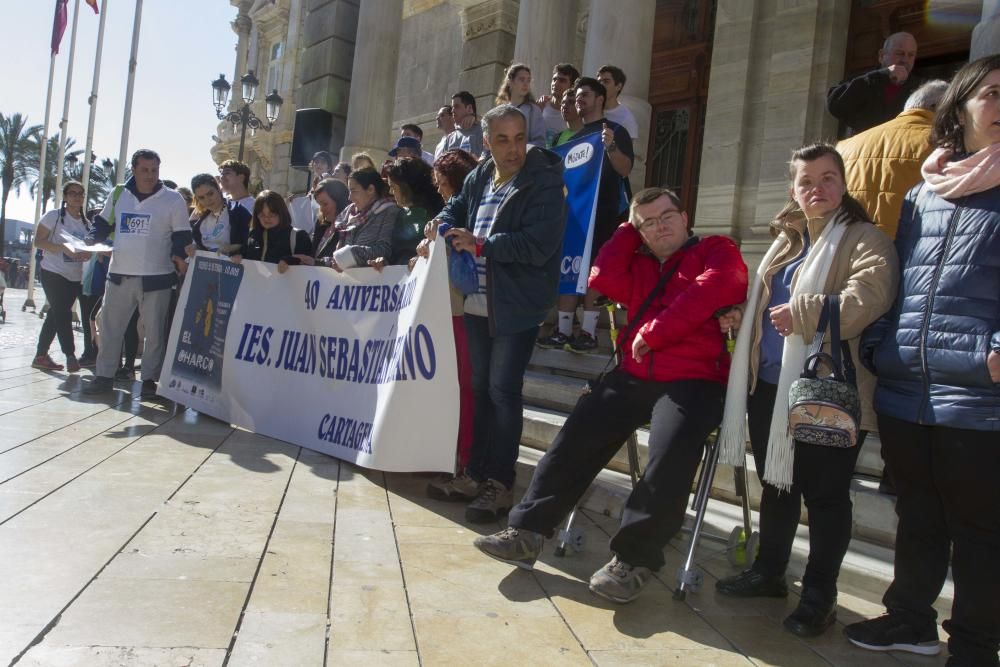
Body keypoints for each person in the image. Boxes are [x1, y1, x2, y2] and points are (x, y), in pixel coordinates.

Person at [474, 187, 748, 603]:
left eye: (667, 216)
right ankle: (527, 531)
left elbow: (718, 287)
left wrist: (656, 334)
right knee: (578, 431)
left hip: (696, 379)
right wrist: (626, 230)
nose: (660, 227)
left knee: (671, 447)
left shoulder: (715, 248)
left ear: (685, 215)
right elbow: (601, 277)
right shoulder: (636, 261)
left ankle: (634, 559)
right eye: (648, 223)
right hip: (635, 375)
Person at [845, 55, 1000, 667]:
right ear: (958, 107)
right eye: (992, 93)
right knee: (917, 516)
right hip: (908, 385)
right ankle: (910, 619)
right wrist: (882, 344)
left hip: (980, 394)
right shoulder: (922, 192)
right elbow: (898, 277)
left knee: (980, 533)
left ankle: (974, 646)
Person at [713, 143, 898, 639]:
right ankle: (770, 572)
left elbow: (869, 298)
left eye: (827, 178)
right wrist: (742, 318)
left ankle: (820, 594)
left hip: (826, 392)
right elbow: (765, 307)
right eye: (806, 181)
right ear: (793, 189)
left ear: (843, 183)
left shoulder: (865, 239)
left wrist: (807, 311)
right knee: (777, 485)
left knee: (825, 497)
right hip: (769, 387)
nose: (817, 189)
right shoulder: (786, 241)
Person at [419, 105, 566, 522]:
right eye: (502, 139)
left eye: (519, 137)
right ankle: (474, 475)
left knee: (503, 392)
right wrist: (439, 224)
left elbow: (537, 245)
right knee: (481, 389)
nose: (514, 148)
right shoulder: (481, 174)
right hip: (477, 300)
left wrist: (481, 243)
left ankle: (500, 484)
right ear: (486, 143)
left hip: (517, 304)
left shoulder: (545, 181)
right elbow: (455, 208)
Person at [83, 149, 192, 399]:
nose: (150, 175)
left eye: (154, 170)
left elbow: (182, 236)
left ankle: (149, 381)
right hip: (119, 274)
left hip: (158, 278)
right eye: (145, 170)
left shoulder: (173, 199)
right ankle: (104, 377)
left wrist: (178, 256)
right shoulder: (119, 193)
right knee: (111, 329)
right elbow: (101, 225)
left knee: (155, 333)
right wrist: (89, 243)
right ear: (133, 169)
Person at [537, 77, 633, 353]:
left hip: (603, 214)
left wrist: (611, 146)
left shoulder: (615, 130)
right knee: (568, 265)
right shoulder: (572, 138)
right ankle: (564, 330)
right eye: (577, 96)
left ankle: (589, 332)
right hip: (572, 215)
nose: (579, 100)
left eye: (585, 95)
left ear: (600, 99)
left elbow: (625, 169)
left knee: (594, 272)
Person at [424, 149, 481, 501]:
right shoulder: (455, 208)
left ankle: (465, 459)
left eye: (442, 183)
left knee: (464, 387)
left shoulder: (471, 208)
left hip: (462, 310)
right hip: (453, 310)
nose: (439, 190)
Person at [837, 80, 948, 239]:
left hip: (847, 247)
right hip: (905, 252)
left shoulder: (844, 146)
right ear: (936, 108)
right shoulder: (945, 145)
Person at [31, 180, 93, 372]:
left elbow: (88, 249)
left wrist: (87, 253)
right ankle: (70, 355)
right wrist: (62, 248)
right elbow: (38, 242)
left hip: (74, 276)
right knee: (63, 314)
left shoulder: (86, 224)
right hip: (53, 271)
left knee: (56, 314)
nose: (77, 196)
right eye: (72, 193)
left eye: (80, 193)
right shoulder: (53, 217)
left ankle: (40, 355)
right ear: (65, 197)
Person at [827, 32, 921, 137]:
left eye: (911, 55)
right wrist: (883, 75)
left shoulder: (921, 88)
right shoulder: (864, 80)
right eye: (900, 53)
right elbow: (835, 105)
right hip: (864, 149)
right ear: (881, 56)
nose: (905, 60)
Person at [314, 168, 400, 273]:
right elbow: (338, 258)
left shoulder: (388, 212)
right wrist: (316, 262)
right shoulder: (347, 214)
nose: (349, 197)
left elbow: (385, 250)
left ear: (370, 190)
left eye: (353, 191)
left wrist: (350, 253)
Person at [231, 190, 313, 274]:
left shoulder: (299, 237)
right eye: (262, 214)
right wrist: (238, 255)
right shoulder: (253, 236)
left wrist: (291, 261)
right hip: (254, 286)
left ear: (281, 213)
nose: (266, 219)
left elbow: (309, 267)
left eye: (272, 214)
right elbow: (243, 254)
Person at [383, 158, 443, 266]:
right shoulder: (399, 213)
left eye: (393, 187)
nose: (390, 192)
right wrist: (384, 261)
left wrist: (421, 258)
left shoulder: (438, 211)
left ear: (407, 186)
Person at [188, 173, 251, 256]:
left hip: (234, 266)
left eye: (210, 193)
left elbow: (253, 241)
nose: (207, 200)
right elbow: (199, 246)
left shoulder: (238, 211)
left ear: (218, 188)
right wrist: (194, 247)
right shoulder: (200, 223)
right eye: (201, 197)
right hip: (206, 267)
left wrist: (232, 248)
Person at [494, 63, 546, 146]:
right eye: (522, 79)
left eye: (528, 80)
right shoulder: (499, 112)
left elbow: (540, 141)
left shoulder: (533, 110)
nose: (526, 84)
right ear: (510, 81)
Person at [308, 177, 350, 264]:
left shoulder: (349, 227)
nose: (322, 209)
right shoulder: (320, 224)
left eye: (325, 204)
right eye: (319, 204)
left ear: (339, 201)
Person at [538, 63, 581, 147]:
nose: (555, 83)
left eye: (562, 80)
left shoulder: (577, 112)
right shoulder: (540, 105)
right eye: (554, 79)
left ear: (573, 86)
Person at [596, 64, 640, 141]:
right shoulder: (589, 109)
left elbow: (627, 151)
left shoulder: (626, 118)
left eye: (606, 81)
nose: (601, 85)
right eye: (599, 81)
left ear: (618, 86)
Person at [439, 91, 484, 159]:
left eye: (456, 106)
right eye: (452, 107)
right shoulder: (450, 138)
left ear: (469, 108)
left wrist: (476, 117)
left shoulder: (484, 131)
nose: (452, 111)